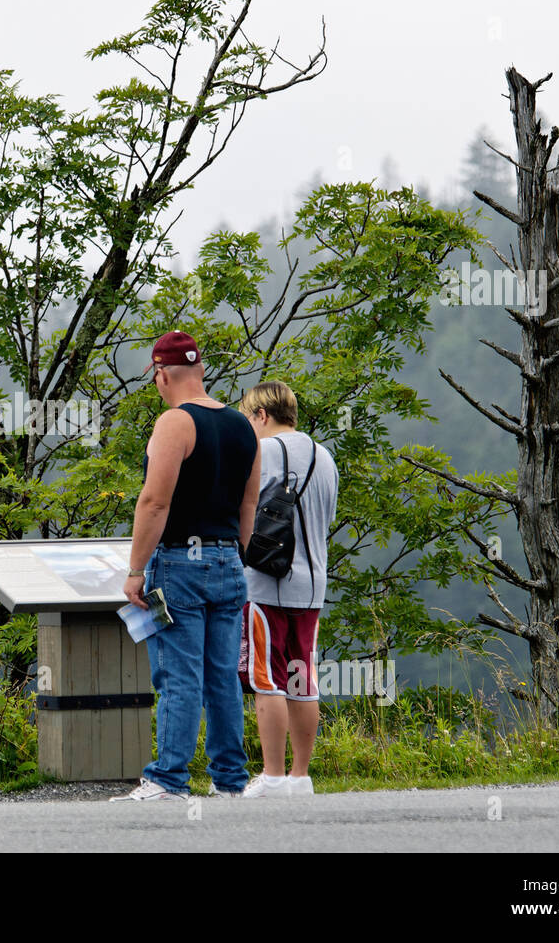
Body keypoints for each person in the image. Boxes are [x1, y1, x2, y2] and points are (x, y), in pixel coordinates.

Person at [112, 331, 260, 801]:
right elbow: (249, 505)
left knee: (178, 676)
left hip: (179, 563)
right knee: (222, 676)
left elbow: (154, 501)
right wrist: (234, 557)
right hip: (227, 561)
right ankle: (230, 781)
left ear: (161, 374)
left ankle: (167, 779)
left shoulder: (174, 423)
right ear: (200, 371)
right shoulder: (242, 425)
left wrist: (136, 569)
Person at [237, 381, 338, 798]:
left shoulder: (262, 453)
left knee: (267, 678)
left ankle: (272, 775)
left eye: (248, 418)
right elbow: (326, 516)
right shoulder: (325, 456)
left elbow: (243, 512)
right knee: (303, 678)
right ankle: (301, 776)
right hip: (312, 583)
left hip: (267, 581)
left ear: (262, 414)